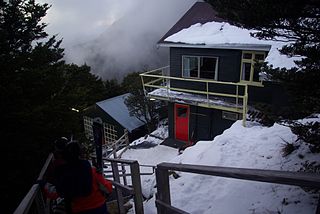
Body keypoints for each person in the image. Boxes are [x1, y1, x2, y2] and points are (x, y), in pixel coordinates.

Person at [54, 141, 113, 214]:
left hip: (78, 208)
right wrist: (109, 183)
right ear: (80, 154)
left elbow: (58, 192)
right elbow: (107, 188)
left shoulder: (63, 172)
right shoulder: (91, 170)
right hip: (98, 206)